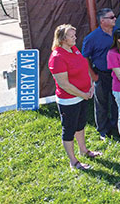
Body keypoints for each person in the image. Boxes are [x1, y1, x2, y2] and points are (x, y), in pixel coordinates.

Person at [49, 24, 100, 170]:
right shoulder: (57, 57)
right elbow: (64, 84)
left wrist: (90, 85)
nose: (75, 38)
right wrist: (83, 94)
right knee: (69, 129)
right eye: (72, 36)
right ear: (63, 39)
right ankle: (73, 161)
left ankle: (83, 150)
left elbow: (84, 67)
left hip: (82, 96)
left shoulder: (73, 49)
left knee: (80, 125)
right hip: (70, 100)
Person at [82, 8, 118, 141]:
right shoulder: (91, 38)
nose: (115, 19)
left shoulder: (116, 32)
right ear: (102, 21)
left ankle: (116, 125)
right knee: (102, 103)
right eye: (111, 17)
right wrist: (93, 76)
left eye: (114, 17)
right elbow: (84, 58)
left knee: (117, 100)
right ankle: (103, 130)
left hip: (117, 73)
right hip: (101, 74)